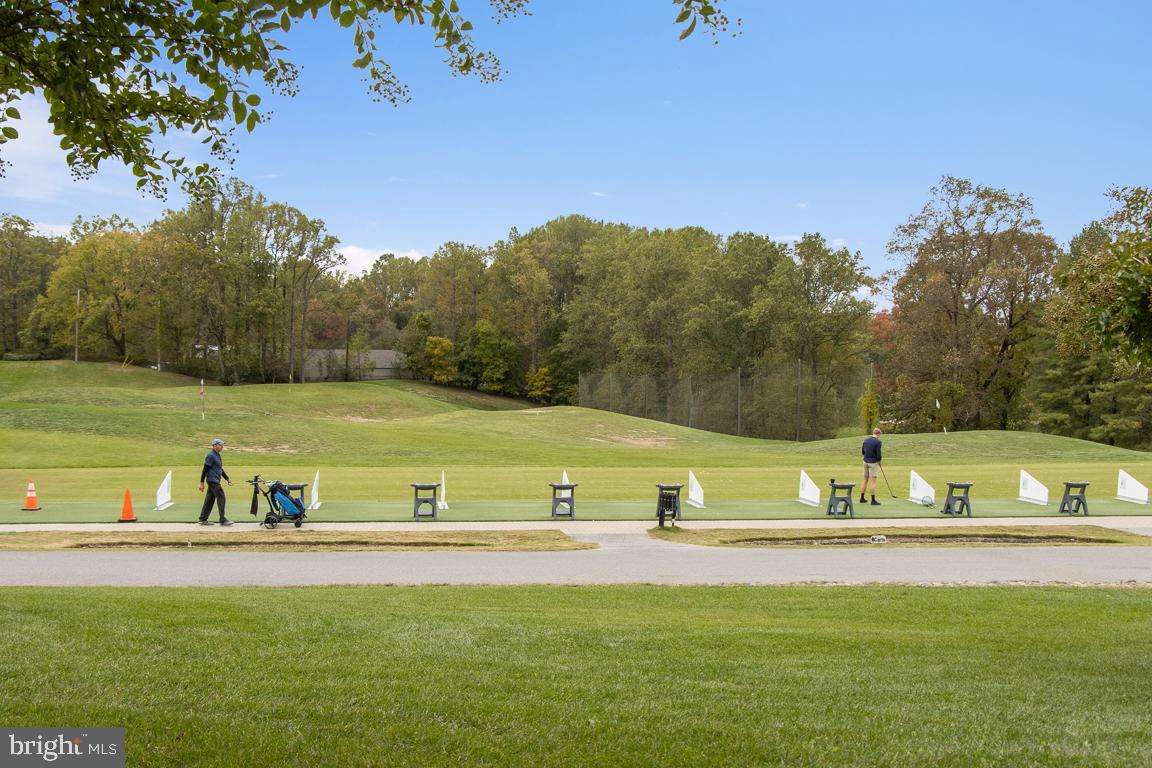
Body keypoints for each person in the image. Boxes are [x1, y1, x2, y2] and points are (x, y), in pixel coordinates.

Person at [198, 438, 234, 525]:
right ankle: (222, 519)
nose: (222, 447)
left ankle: (203, 519)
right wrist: (201, 483)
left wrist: (227, 478)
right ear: (214, 446)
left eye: (222, 445)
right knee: (221, 497)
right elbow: (205, 470)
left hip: (214, 480)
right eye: (220, 445)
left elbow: (219, 469)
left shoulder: (217, 455)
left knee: (209, 500)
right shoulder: (211, 456)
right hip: (212, 481)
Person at [860, 428, 883, 506]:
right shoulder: (878, 442)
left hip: (865, 462)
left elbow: (863, 452)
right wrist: (879, 461)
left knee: (865, 479)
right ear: (878, 434)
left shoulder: (866, 440)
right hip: (873, 463)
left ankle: (862, 498)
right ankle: (873, 500)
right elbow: (878, 454)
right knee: (872, 481)